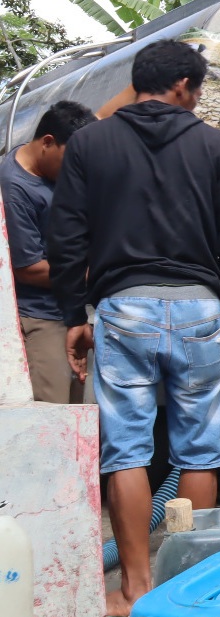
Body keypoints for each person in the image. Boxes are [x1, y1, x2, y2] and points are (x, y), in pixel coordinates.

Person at [46, 38, 220, 617]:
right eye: (198, 89)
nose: (198, 100)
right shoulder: (213, 145)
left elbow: (66, 236)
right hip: (198, 309)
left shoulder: (90, 143)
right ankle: (190, 589)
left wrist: (73, 314)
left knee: (127, 452)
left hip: (124, 308)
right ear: (183, 86)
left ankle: (136, 589)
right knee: (201, 452)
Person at [1, 100, 96, 403]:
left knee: (78, 413)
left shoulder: (53, 170)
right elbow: (27, 269)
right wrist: (96, 273)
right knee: (53, 412)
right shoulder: (14, 189)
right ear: (47, 142)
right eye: (71, 159)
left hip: (71, 313)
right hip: (42, 319)